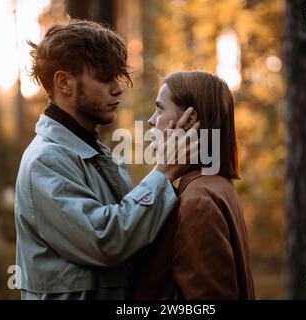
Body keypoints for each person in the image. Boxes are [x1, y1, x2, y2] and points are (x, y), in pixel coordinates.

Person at [14, 20, 198, 300]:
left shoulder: (96, 154)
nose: (117, 89)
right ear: (64, 82)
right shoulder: (47, 161)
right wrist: (164, 171)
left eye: (118, 77)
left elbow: (134, 238)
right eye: (103, 77)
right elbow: (106, 241)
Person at [131, 71, 255, 300]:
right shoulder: (214, 184)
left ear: (189, 120)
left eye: (159, 108)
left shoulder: (198, 200)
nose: (150, 120)